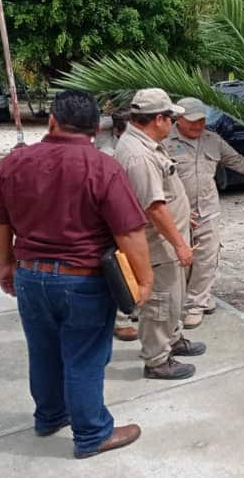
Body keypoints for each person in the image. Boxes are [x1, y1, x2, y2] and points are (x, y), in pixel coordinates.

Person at [0, 90, 149, 458]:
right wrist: (144, 279)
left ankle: (49, 416)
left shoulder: (15, 163)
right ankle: (92, 434)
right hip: (83, 279)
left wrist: (5, 263)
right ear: (95, 127)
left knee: (43, 352)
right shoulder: (103, 167)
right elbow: (129, 232)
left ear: (52, 121)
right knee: (85, 358)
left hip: (30, 276)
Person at [114, 88, 206, 380]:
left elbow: (164, 194)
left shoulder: (148, 143)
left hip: (168, 239)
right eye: (170, 117)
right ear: (157, 119)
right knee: (161, 302)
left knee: (173, 297)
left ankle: (172, 340)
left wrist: (181, 215)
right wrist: (180, 244)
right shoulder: (138, 156)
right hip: (159, 244)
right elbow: (153, 207)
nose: (173, 123)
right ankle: (156, 360)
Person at [162, 97, 244, 329]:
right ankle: (189, 298)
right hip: (176, 214)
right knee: (179, 261)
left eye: (202, 120)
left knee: (206, 259)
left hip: (208, 210)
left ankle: (195, 304)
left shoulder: (212, 140)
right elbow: (157, 182)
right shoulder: (164, 142)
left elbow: (240, 163)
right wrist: (174, 210)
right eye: (192, 121)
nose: (198, 125)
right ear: (178, 119)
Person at [95, 111, 140, 342]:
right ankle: (121, 319)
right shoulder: (108, 151)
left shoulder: (120, 145)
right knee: (118, 266)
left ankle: (131, 311)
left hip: (131, 215)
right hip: (116, 218)